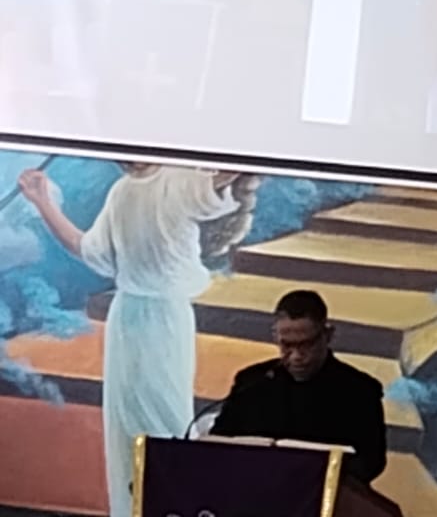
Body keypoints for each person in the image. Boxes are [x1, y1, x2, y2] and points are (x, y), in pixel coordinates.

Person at [18, 163, 242, 517]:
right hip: (127, 319)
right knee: (124, 430)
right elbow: (86, 248)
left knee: (167, 423)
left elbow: (217, 182)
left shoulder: (176, 179)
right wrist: (42, 200)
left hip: (165, 319)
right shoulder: (122, 191)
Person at [211, 289, 388, 485]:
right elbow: (219, 442)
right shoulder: (252, 383)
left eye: (306, 345)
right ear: (275, 336)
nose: (296, 356)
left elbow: (372, 461)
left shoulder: (360, 390)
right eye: (287, 346)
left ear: (328, 335)